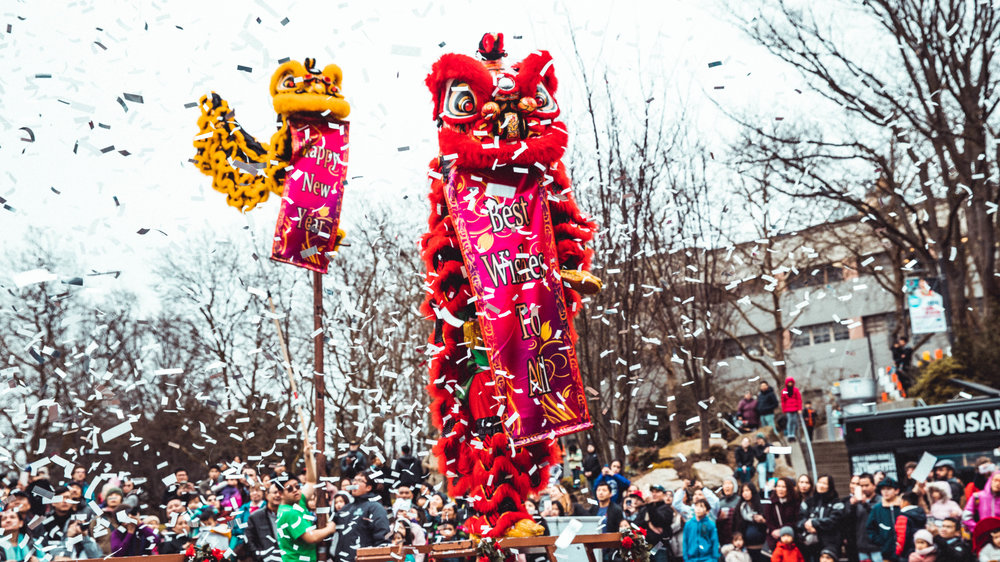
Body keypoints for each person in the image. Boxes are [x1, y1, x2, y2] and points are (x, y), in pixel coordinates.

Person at [277, 441, 338, 562]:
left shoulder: (297, 502)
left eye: (297, 486)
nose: (295, 490)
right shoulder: (289, 512)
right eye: (290, 489)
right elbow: (312, 537)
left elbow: (311, 481)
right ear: (280, 494)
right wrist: (329, 529)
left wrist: (308, 456)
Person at [333, 472, 391, 562]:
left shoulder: (375, 508)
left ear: (368, 487)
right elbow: (330, 525)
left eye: (360, 481)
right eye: (354, 480)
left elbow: (383, 541)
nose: (354, 483)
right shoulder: (346, 508)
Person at [798, 475, 845, 562]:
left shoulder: (836, 502)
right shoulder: (809, 502)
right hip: (810, 544)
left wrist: (815, 523)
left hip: (829, 544)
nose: (821, 485)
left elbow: (833, 521)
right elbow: (800, 519)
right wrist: (806, 525)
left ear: (830, 486)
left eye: (824, 483)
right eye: (819, 482)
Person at [867, 478, 903, 562]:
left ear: (897, 491)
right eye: (883, 489)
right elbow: (870, 528)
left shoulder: (902, 505)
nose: (885, 492)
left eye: (889, 489)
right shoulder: (877, 508)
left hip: (905, 552)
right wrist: (881, 541)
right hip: (887, 552)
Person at [849, 473, 881, 562]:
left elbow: (876, 513)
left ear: (874, 486)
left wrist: (864, 503)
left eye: (867, 485)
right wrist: (852, 506)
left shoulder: (880, 500)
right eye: (861, 486)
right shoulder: (857, 502)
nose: (864, 488)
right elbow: (851, 521)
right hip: (862, 545)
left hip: (877, 546)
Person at [639, 485, 675, 562]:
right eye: (652, 492)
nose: (654, 494)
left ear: (664, 494)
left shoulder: (667, 508)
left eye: (657, 492)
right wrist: (648, 523)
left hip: (659, 545)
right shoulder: (645, 508)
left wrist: (650, 505)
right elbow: (637, 523)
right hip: (645, 546)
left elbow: (658, 521)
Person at [764, 477, 800, 552]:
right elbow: (768, 520)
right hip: (774, 538)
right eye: (778, 486)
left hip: (790, 537)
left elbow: (796, 520)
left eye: (783, 487)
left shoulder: (795, 503)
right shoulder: (770, 502)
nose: (780, 489)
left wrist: (782, 530)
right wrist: (774, 530)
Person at [734, 483, 768, 562]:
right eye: (743, 491)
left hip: (762, 548)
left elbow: (770, 524)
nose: (745, 493)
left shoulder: (762, 506)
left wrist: (763, 521)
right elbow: (736, 526)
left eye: (747, 490)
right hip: (747, 549)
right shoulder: (740, 508)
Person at [962, 471, 1000, 535]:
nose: (998, 484)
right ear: (991, 480)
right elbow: (966, 516)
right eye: (995, 480)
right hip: (983, 534)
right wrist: (976, 528)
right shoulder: (978, 496)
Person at [718, 477, 741, 546]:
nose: (727, 486)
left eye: (729, 484)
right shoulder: (720, 502)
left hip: (737, 538)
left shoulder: (739, 501)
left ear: (735, 487)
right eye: (725, 484)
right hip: (722, 537)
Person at [780, 378, 803, 442]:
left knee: (794, 421)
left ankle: (793, 434)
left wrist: (799, 408)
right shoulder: (784, 391)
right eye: (789, 383)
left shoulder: (795, 390)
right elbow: (783, 401)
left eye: (791, 382)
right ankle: (789, 434)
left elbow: (799, 400)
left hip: (795, 408)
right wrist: (784, 409)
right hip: (788, 409)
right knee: (790, 421)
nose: (790, 384)